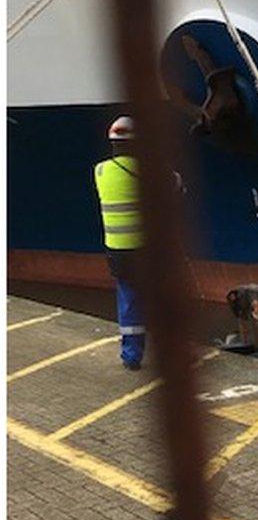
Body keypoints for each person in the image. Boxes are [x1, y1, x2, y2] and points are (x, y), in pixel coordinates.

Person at [94, 116, 146, 370]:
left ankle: (131, 355)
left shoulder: (101, 171)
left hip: (116, 250)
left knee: (128, 299)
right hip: (146, 249)